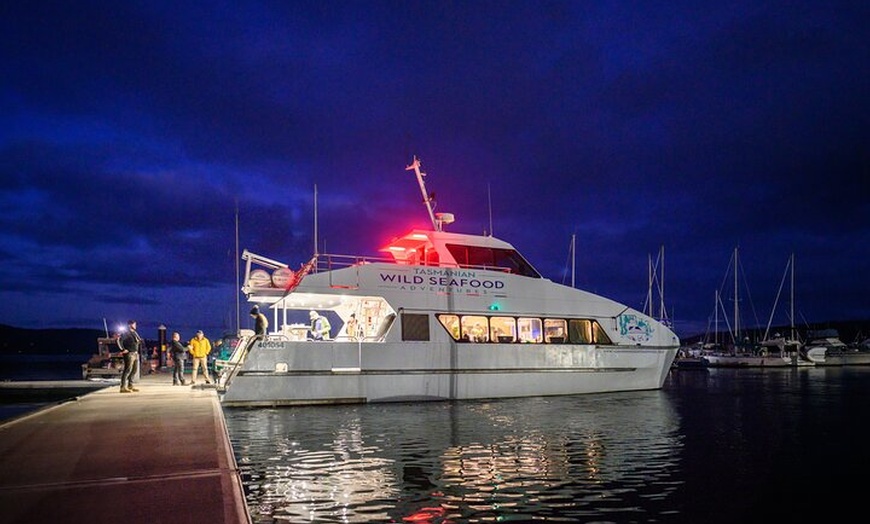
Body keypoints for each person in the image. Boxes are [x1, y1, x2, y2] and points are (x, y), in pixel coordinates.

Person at [118, 319, 142, 393]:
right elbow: (119, 340)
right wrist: (123, 349)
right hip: (129, 354)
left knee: (134, 370)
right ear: (130, 325)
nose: (135, 326)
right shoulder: (126, 333)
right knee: (127, 370)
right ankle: (122, 387)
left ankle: (130, 385)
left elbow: (138, 340)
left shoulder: (134, 333)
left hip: (135, 353)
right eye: (134, 324)